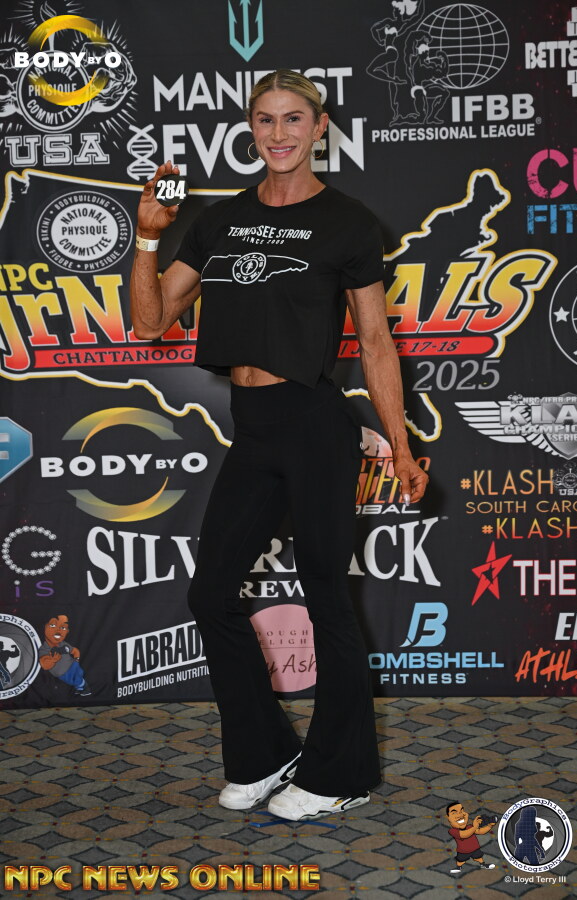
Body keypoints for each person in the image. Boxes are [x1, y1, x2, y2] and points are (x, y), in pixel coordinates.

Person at [130, 69, 428, 822]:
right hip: (254, 428)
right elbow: (150, 322)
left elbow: (376, 343)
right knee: (209, 594)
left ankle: (341, 772)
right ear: (250, 129)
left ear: (319, 127)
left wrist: (400, 446)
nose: (279, 134)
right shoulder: (222, 221)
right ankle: (264, 754)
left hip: (315, 425)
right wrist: (147, 237)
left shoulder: (348, 223)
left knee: (327, 594)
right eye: (265, 119)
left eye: (294, 119)